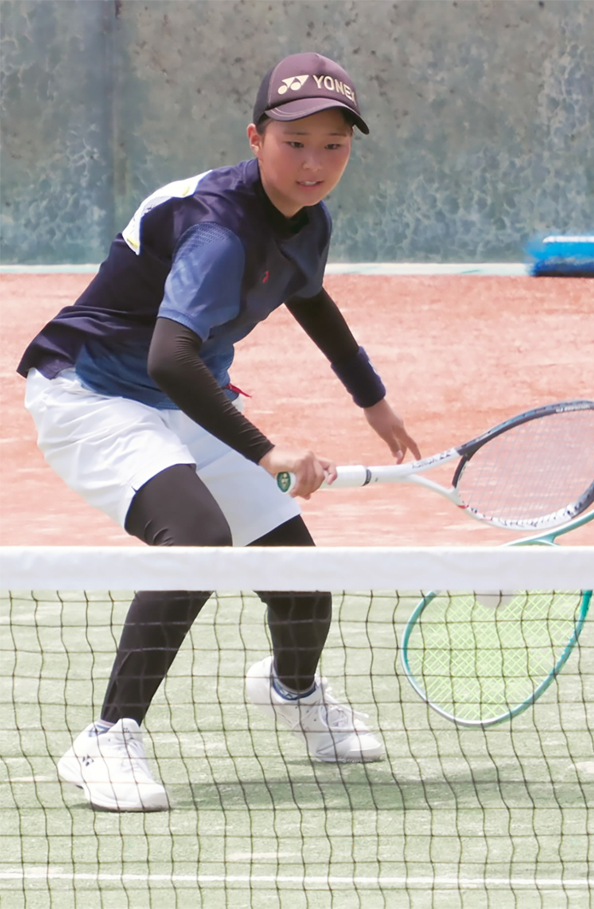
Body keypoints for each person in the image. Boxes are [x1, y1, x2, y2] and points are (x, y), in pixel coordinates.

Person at [18, 52, 420, 812]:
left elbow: (309, 296)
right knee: (196, 533)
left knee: (297, 572)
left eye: (334, 144)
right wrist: (267, 451)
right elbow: (171, 355)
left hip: (182, 394)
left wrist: (371, 398)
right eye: (294, 141)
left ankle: (292, 690)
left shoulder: (309, 216)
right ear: (255, 136)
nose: (314, 163)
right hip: (93, 392)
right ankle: (107, 737)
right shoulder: (218, 229)